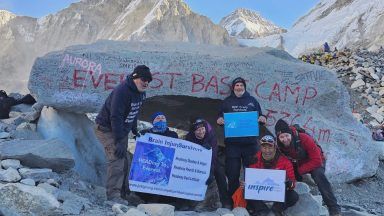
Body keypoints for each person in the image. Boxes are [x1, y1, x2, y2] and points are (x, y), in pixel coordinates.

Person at [94, 65, 152, 204]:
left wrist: (134, 129)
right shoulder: (122, 91)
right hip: (106, 128)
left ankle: (125, 193)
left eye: (149, 81)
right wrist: (119, 140)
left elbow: (134, 110)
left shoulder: (140, 92)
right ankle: (113, 196)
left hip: (121, 130)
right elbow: (116, 116)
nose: (146, 83)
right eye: (144, 79)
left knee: (126, 161)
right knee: (117, 159)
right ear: (135, 77)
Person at [274, 119, 341, 216]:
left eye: (286, 136)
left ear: (291, 134)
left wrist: (299, 171)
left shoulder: (304, 138)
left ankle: (333, 207)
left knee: (318, 175)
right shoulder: (279, 146)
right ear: (278, 137)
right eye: (281, 137)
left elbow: (317, 160)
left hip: (314, 160)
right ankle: (282, 204)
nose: (285, 139)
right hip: (297, 162)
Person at [216, 77, 267, 205]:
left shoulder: (252, 101)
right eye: (237, 85)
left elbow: (260, 116)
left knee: (252, 174)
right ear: (233, 88)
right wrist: (219, 121)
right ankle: (234, 202)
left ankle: (254, 204)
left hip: (250, 145)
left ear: (244, 87)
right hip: (232, 145)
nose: (239, 87)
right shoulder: (227, 102)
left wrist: (262, 118)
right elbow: (220, 118)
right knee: (233, 174)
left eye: (241, 85)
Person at [245, 135, 298, 216]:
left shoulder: (285, 161)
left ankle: (275, 210)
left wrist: (289, 183)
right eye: (264, 148)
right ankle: (262, 210)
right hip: (261, 192)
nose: (267, 151)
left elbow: (292, 184)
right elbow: (251, 181)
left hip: (277, 194)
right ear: (260, 148)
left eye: (270, 148)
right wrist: (246, 184)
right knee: (244, 191)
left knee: (293, 196)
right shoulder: (255, 159)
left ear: (275, 148)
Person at [185, 117, 220, 210]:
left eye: (202, 129)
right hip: (195, 162)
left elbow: (214, 156)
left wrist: (211, 172)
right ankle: (187, 201)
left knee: (218, 174)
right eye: (198, 130)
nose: (201, 132)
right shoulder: (189, 137)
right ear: (194, 131)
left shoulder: (211, 136)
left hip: (210, 161)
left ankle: (218, 202)